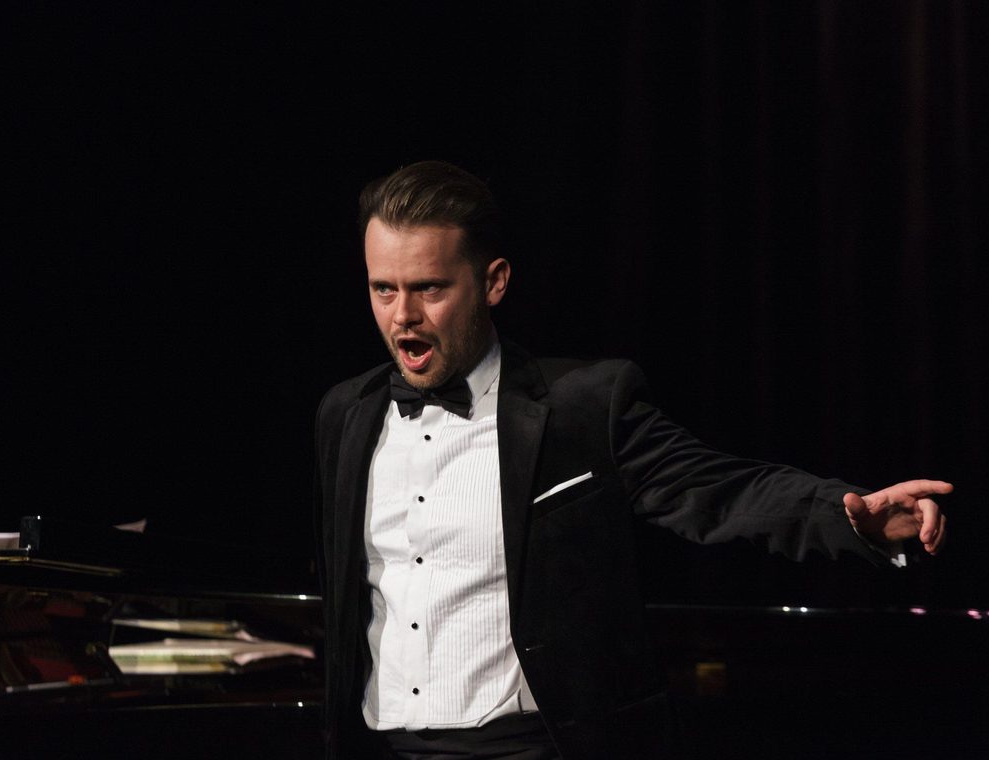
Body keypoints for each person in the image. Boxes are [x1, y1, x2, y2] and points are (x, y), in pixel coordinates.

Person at [314, 160, 950, 760]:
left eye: (429, 288)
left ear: (493, 281)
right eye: (383, 289)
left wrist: (847, 517)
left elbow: (721, 491)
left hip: (533, 747)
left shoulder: (581, 408)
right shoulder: (347, 413)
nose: (403, 316)